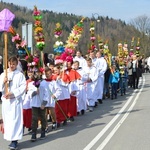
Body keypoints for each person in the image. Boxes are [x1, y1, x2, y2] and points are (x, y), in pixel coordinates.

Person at [0, 56, 26, 150]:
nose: (12, 66)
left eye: (14, 64)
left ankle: (14, 141)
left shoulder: (20, 75)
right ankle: (10, 138)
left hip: (15, 101)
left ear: (16, 64)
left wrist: (13, 93)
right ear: (8, 64)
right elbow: (0, 88)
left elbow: (23, 87)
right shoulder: (4, 74)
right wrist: (3, 82)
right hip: (7, 103)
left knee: (15, 121)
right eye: (10, 64)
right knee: (8, 122)